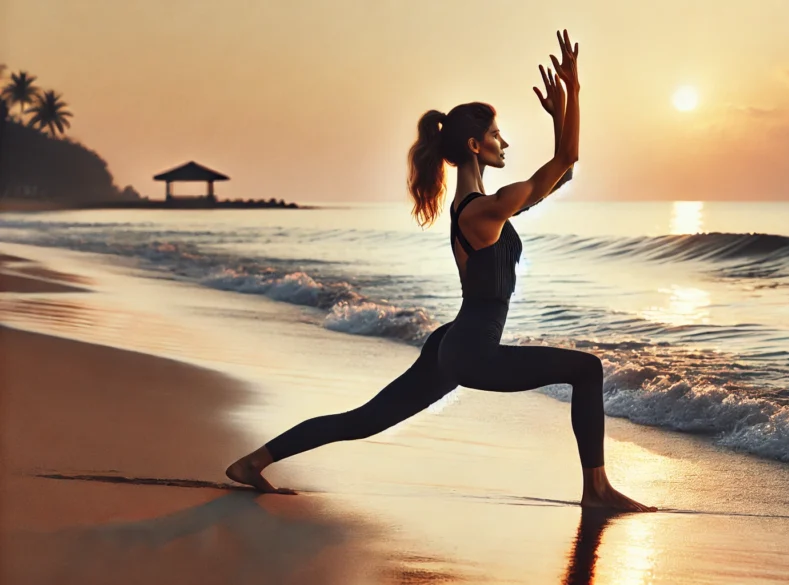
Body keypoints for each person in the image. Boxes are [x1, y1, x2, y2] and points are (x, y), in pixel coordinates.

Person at [227, 29, 655, 512]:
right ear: (475, 145)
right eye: (496, 134)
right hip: (472, 352)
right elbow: (566, 160)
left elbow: (564, 172)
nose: (505, 142)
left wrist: (561, 118)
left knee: (365, 419)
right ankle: (596, 489)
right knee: (587, 369)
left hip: (454, 341)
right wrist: (573, 95)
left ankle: (252, 462)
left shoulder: (482, 209)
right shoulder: (481, 212)